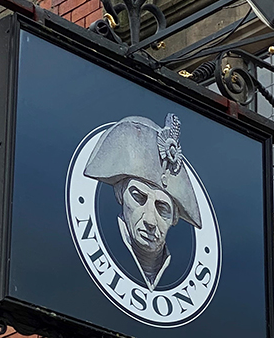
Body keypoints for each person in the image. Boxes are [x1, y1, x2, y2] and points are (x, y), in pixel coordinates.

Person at [84, 114, 202, 289]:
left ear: (175, 218)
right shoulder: (107, 244)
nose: (150, 221)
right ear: (119, 194)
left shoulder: (175, 273)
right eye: (138, 197)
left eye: (162, 208)